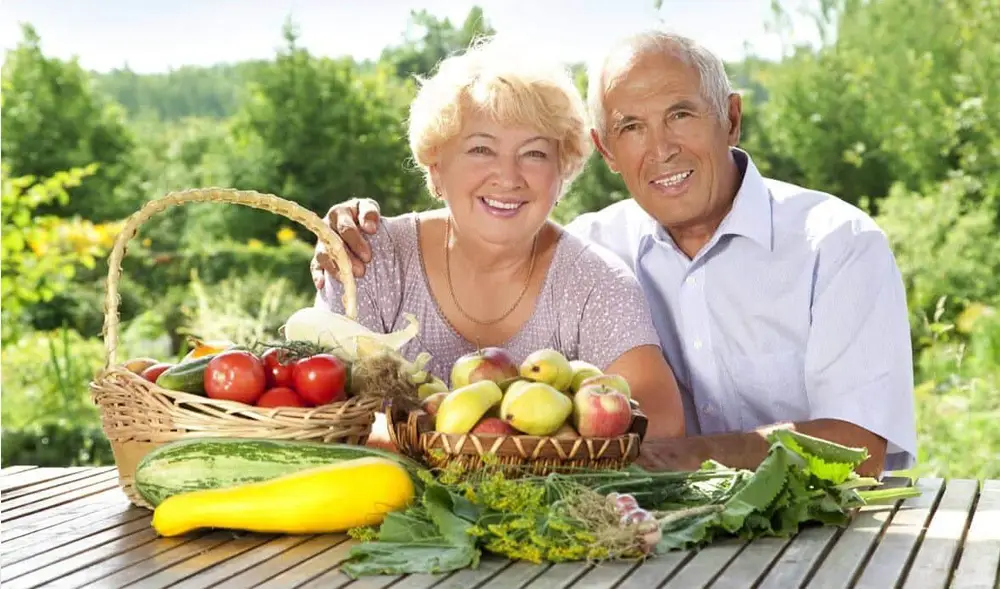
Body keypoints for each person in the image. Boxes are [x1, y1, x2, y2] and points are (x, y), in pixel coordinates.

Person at [311, 30, 917, 477]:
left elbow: (859, 447)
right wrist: (347, 234)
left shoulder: (836, 244)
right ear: (604, 149)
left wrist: (675, 458)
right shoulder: (598, 245)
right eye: (631, 127)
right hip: (649, 524)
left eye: (680, 114)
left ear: (730, 118)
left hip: (826, 530)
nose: (661, 150)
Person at [312, 37, 686, 442]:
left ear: (562, 174)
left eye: (535, 154)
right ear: (436, 169)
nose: (508, 177)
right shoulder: (372, 257)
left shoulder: (596, 282)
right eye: (480, 149)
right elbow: (322, 410)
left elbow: (662, 424)